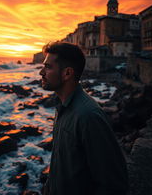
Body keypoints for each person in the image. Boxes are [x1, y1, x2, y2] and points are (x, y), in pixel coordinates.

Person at [39, 41, 129, 195]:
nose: (41, 72)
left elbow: (113, 183)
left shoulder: (88, 116)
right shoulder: (62, 105)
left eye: (48, 67)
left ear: (67, 73)